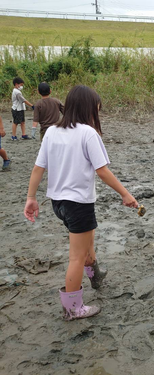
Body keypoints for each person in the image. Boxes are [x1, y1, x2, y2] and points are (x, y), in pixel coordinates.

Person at [23, 85, 139, 320]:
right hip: (78, 203)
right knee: (76, 256)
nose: (98, 110)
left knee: (88, 239)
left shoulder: (53, 131)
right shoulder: (88, 133)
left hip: (59, 203)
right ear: (89, 108)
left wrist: (31, 197)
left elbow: (38, 168)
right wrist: (126, 194)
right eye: (97, 107)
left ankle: (95, 274)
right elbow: (103, 172)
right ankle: (73, 308)